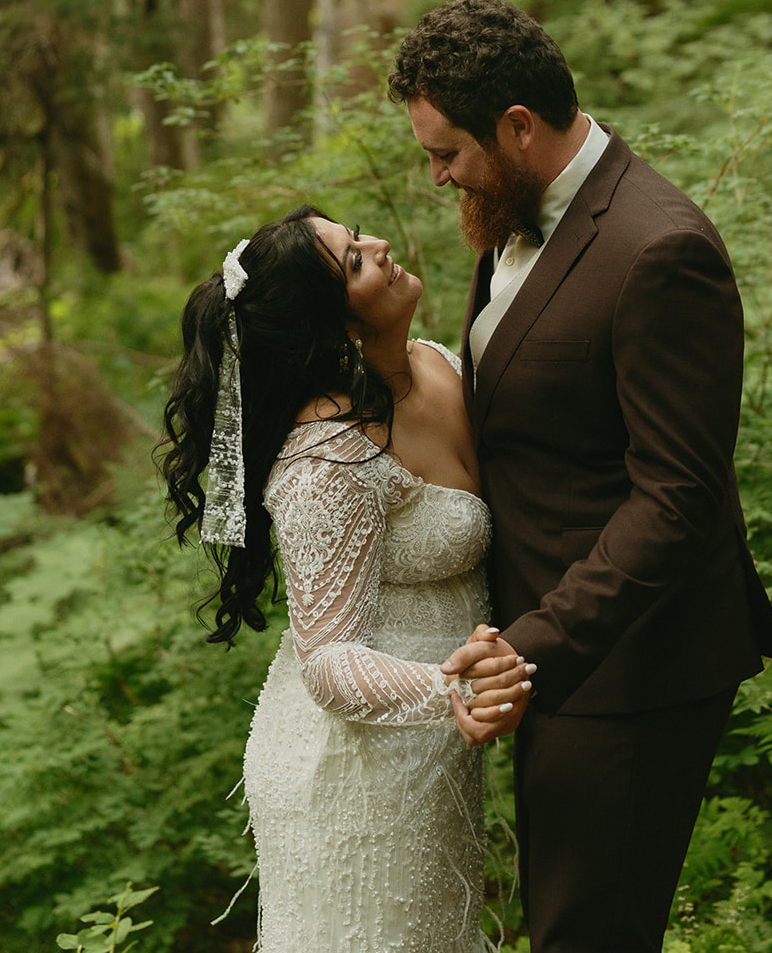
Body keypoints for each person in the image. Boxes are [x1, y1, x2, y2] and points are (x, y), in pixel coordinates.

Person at [389, 0, 772, 953]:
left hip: (628, 659)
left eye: (446, 152)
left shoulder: (659, 249)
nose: (438, 175)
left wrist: (535, 647)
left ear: (517, 126)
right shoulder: (512, 211)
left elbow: (678, 497)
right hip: (548, 645)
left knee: (587, 934)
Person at [161, 203, 533, 953]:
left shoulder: (438, 361)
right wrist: (457, 690)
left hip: (432, 760)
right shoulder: (326, 460)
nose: (381, 246)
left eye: (356, 236)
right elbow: (327, 659)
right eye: (355, 261)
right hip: (355, 772)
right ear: (330, 325)